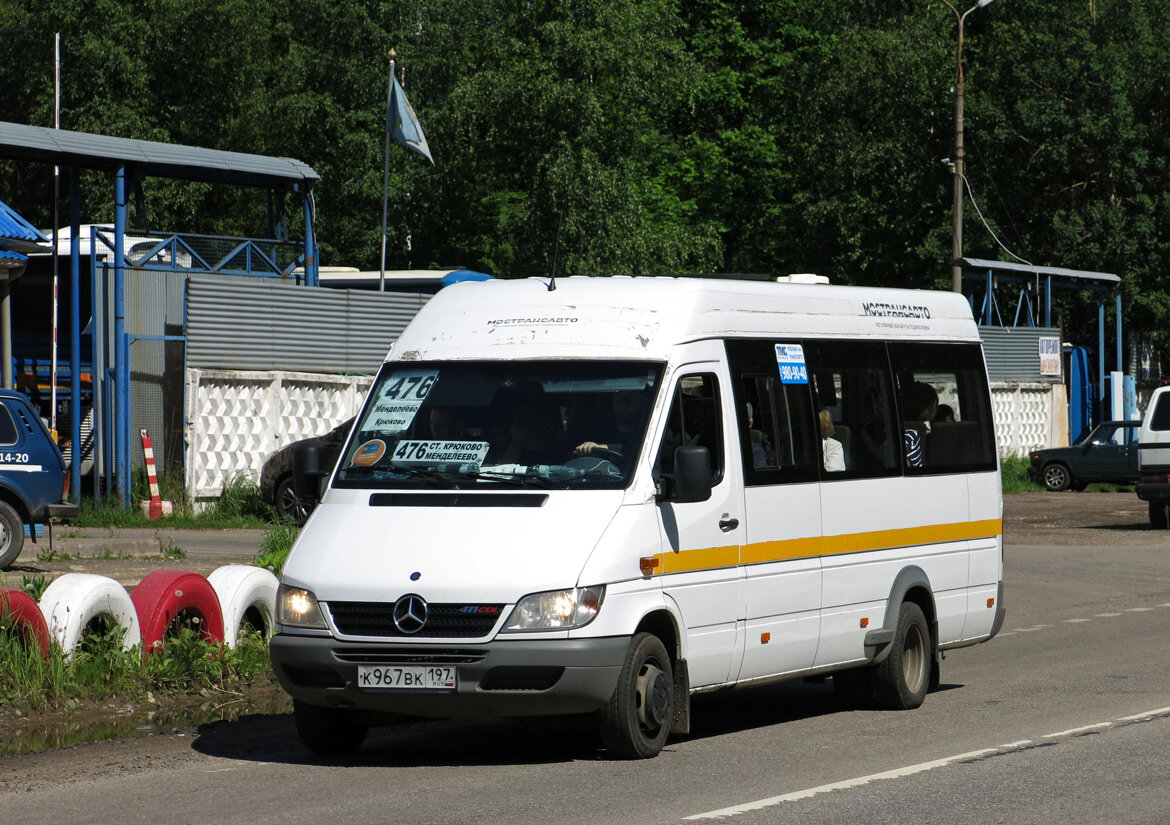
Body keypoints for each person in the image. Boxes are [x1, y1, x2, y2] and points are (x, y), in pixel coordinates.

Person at [574, 390, 649, 458]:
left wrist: (602, 448)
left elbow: (635, 449)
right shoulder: (601, 433)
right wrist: (588, 448)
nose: (623, 403)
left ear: (644, 402)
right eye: (618, 398)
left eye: (630, 398)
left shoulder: (649, 434)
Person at [902, 382, 938, 468]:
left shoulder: (910, 431)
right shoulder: (911, 434)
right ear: (926, 409)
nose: (936, 409)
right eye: (935, 405)